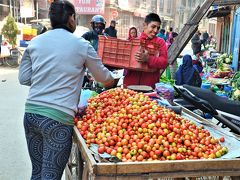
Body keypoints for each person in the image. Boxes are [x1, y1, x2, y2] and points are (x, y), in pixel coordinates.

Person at [18, 1, 115, 179]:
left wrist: (46, 78)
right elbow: (104, 78)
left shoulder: (35, 42)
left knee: (37, 173)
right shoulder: (81, 45)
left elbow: (23, 78)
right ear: (71, 18)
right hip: (57, 121)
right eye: (75, 17)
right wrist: (113, 79)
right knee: (50, 177)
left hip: (31, 115)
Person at [123, 13, 168, 89]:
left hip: (149, 88)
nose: (155, 30)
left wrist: (148, 59)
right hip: (130, 86)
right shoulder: (134, 41)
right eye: (153, 27)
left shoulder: (160, 42)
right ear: (145, 25)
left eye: (158, 28)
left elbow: (164, 62)